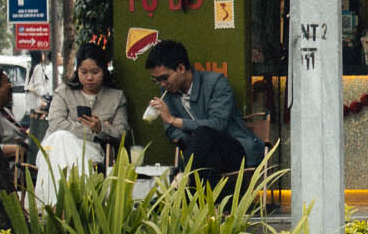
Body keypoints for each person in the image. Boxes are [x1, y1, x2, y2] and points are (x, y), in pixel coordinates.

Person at [143, 39, 265, 187]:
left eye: (164, 78)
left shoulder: (216, 83)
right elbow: (172, 131)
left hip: (236, 151)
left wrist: (173, 120)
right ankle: (195, 195)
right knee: (204, 157)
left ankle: (179, 180)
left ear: (181, 68)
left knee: (204, 133)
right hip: (204, 157)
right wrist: (194, 142)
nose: (162, 84)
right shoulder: (167, 92)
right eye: (156, 80)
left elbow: (217, 124)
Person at [43, 43, 132, 168]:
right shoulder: (63, 92)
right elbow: (56, 124)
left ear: (104, 69)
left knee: (67, 151)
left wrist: (101, 128)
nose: (89, 77)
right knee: (61, 137)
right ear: (77, 70)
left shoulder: (116, 97)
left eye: (95, 72)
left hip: (90, 152)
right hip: (55, 148)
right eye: (83, 72)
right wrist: (92, 132)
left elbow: (122, 132)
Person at [0, 67, 31, 181]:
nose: (11, 86)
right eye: (7, 82)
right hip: (12, 172)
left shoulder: (5, 111)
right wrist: (19, 149)